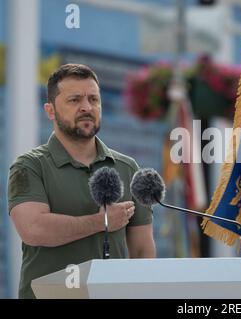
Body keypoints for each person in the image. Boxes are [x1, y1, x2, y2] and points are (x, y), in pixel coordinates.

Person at [7, 64, 156, 299]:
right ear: (50, 110)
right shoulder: (29, 166)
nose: (86, 107)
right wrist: (101, 221)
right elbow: (33, 229)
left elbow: (142, 250)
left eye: (94, 99)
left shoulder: (128, 168)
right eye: (74, 100)